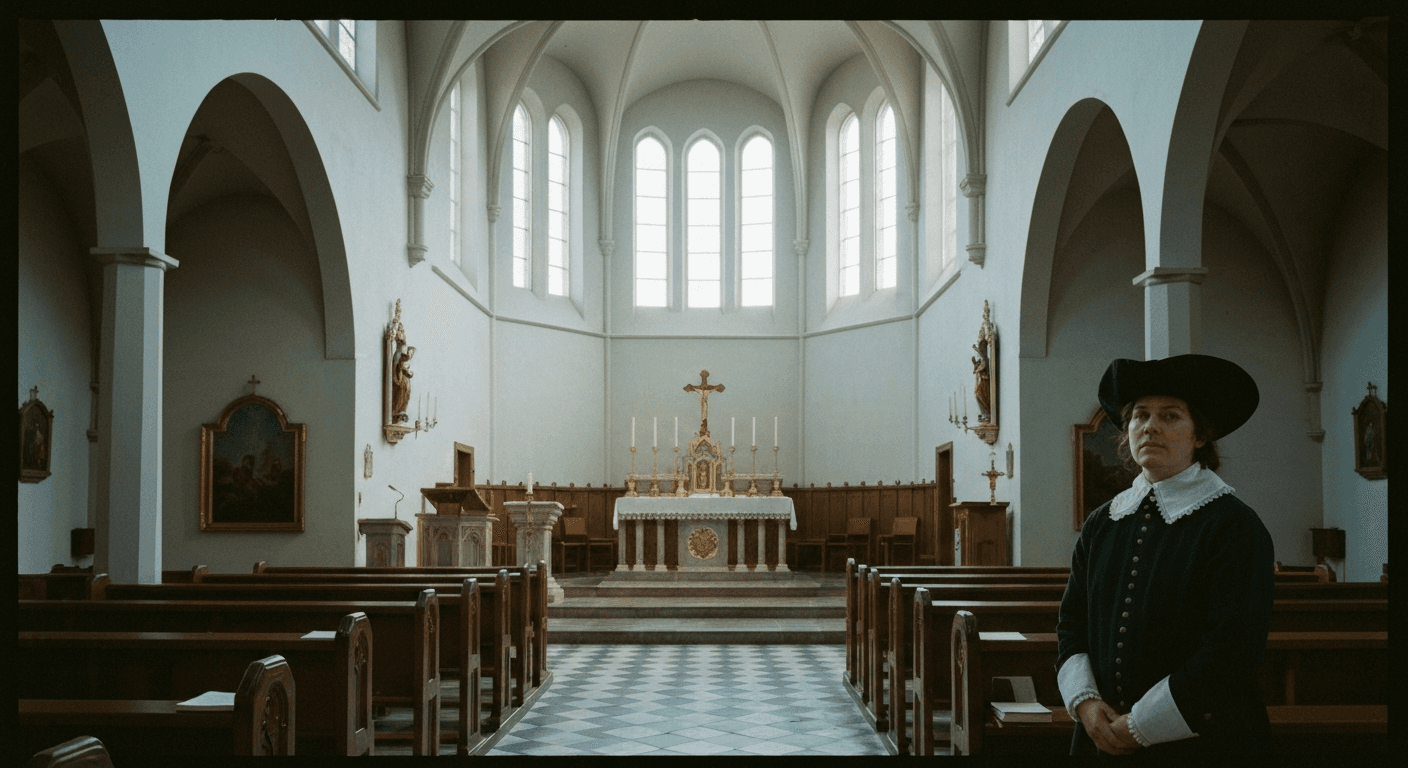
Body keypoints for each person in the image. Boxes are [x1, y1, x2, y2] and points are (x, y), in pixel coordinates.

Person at [1057, 354, 1274, 756]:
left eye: (1171, 416)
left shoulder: (1234, 525)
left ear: (1200, 436)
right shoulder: (1103, 522)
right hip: (1099, 738)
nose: (1150, 426)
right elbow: (1072, 622)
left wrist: (1140, 726)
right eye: (1140, 416)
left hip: (1202, 742)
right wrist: (1086, 704)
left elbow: (1232, 650)